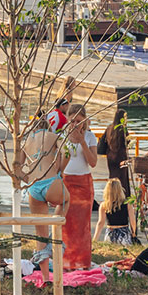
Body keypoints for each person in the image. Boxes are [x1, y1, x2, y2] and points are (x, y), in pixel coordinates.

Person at [21, 112, 69, 267]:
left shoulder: (26, 141)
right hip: (51, 181)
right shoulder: (53, 136)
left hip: (34, 187)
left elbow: (16, 167)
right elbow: (66, 152)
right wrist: (60, 170)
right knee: (65, 200)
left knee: (39, 235)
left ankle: (45, 277)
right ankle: (55, 231)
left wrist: (27, 179)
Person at [61, 104, 98, 269]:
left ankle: (82, 262)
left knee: (82, 225)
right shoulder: (61, 135)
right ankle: (65, 261)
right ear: (68, 120)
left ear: (84, 121)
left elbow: (93, 162)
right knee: (65, 223)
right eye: (73, 120)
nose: (75, 124)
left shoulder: (90, 137)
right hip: (66, 181)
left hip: (83, 182)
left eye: (79, 121)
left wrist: (82, 140)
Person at [95, 175, 137, 246]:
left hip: (110, 232)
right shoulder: (127, 204)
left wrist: (95, 239)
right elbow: (132, 221)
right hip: (124, 233)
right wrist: (133, 233)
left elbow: (100, 223)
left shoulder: (104, 205)